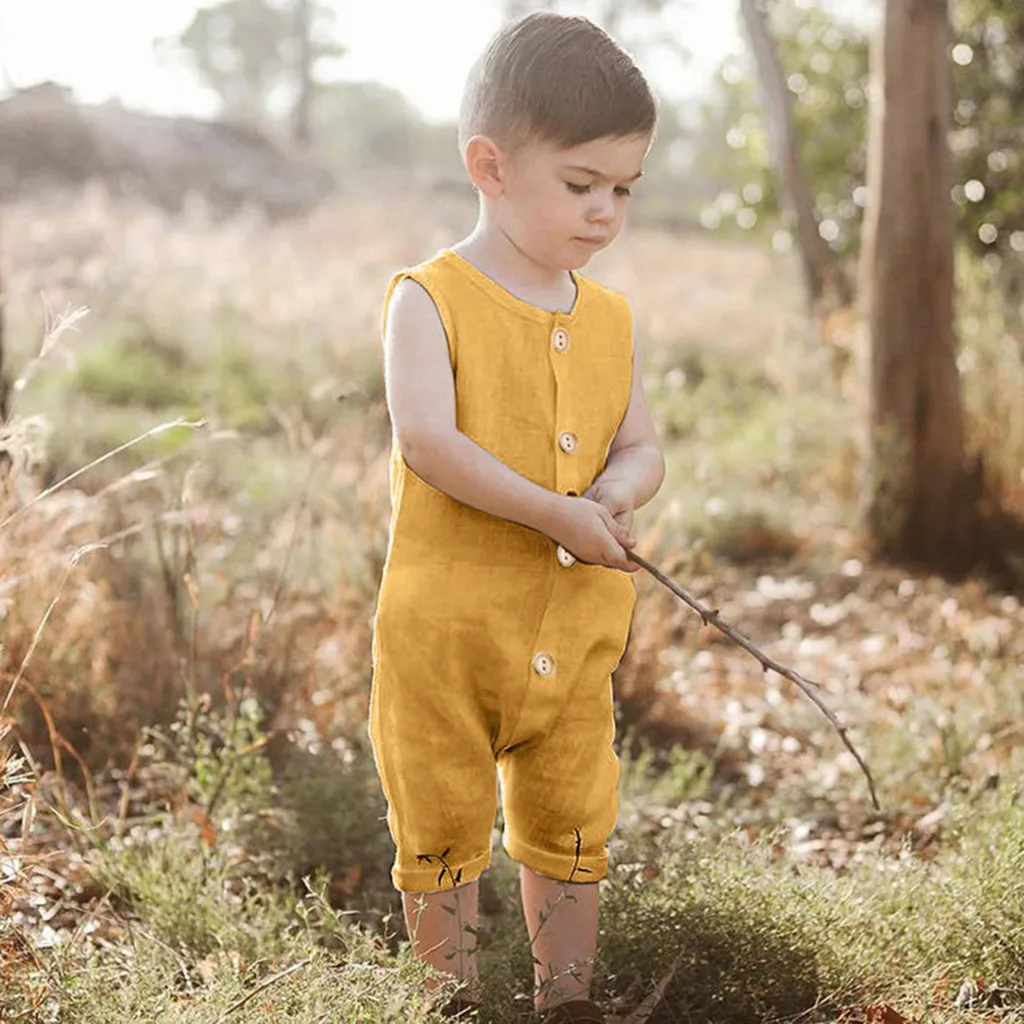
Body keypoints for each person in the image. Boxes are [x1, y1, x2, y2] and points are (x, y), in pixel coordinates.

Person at [368, 11, 665, 1023]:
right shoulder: (431, 298)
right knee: (442, 818)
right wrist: (555, 512)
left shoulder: (610, 317)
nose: (604, 212)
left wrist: (614, 498)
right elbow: (429, 444)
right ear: (489, 166)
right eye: (580, 184)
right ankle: (449, 1000)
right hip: (445, 633)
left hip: (570, 627)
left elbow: (642, 444)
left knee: (572, 816)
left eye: (624, 187)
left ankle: (564, 1000)